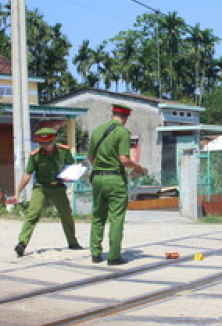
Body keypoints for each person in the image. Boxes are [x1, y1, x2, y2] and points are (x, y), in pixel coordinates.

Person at [88, 103, 147, 265]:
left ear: (112, 114)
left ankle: (95, 253)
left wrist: (101, 168)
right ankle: (114, 256)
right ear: (126, 118)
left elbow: (90, 158)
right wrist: (138, 167)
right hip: (115, 180)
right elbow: (124, 160)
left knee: (98, 216)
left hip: (98, 178)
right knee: (116, 218)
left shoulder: (98, 131)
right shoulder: (122, 132)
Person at [11, 127, 82, 257]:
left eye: (48, 143)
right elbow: (27, 175)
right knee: (33, 214)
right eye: (42, 144)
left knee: (66, 214)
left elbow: (72, 168)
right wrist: (17, 193)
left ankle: (72, 242)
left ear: (53, 140)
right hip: (41, 187)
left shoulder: (63, 151)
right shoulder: (35, 155)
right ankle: (22, 243)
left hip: (58, 187)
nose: (45, 146)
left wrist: (70, 177)